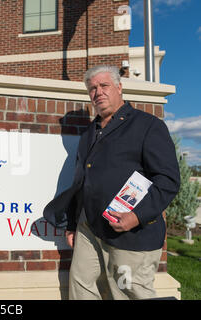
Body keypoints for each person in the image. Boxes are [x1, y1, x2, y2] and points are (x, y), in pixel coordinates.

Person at [44, 65, 180, 300]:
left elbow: (167, 180)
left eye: (104, 85)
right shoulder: (90, 133)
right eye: (92, 88)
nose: (98, 92)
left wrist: (136, 216)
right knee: (81, 287)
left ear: (119, 87)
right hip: (89, 228)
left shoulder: (147, 126)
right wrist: (73, 224)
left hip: (130, 230)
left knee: (129, 292)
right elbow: (81, 182)